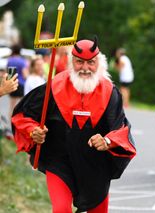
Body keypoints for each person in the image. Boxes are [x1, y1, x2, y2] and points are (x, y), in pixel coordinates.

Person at [11, 37, 136, 213]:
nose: (85, 68)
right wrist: (33, 131)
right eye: (79, 62)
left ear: (99, 63)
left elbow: (121, 128)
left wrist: (107, 141)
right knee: (61, 209)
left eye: (91, 63)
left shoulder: (110, 92)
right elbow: (23, 115)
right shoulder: (54, 87)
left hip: (95, 167)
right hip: (59, 162)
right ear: (71, 62)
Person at [7, 44, 28, 116]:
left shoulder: (10, 60)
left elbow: (8, 73)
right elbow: (25, 75)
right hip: (21, 84)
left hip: (12, 83)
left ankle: (10, 122)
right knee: (21, 105)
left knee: (12, 106)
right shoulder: (22, 61)